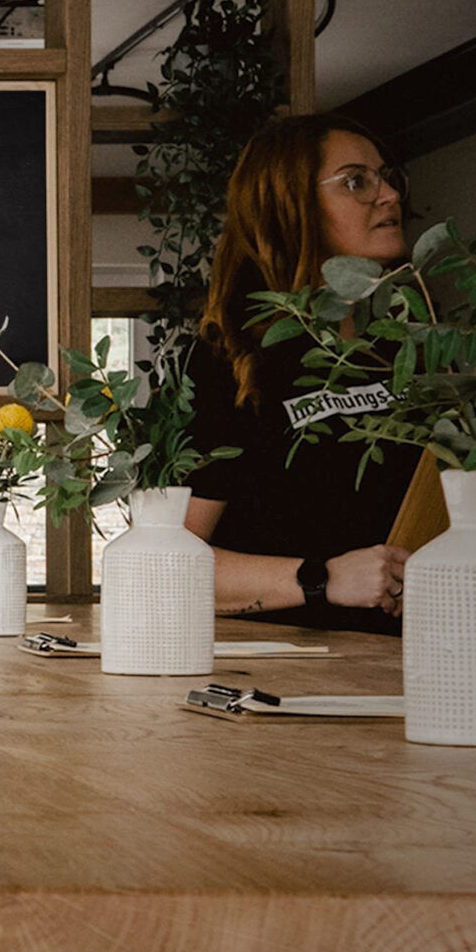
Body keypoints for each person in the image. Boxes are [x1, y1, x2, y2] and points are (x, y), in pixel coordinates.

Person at [183, 114, 416, 634]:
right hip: (277, 675)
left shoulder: (406, 340)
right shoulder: (233, 356)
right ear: (290, 205)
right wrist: (321, 579)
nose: (388, 196)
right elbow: (170, 562)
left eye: (387, 176)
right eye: (357, 181)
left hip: (406, 662)